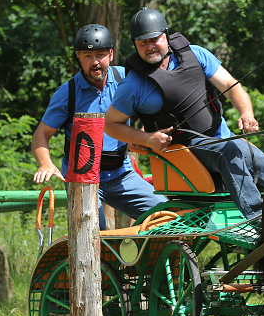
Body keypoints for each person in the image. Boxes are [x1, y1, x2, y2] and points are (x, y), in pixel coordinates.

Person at [104, 8, 264, 220]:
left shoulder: (196, 54)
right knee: (230, 150)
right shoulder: (133, 84)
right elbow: (111, 124)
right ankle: (261, 221)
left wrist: (246, 113)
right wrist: (147, 139)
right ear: (135, 44)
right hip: (184, 151)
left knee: (259, 159)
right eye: (143, 43)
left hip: (224, 138)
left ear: (165, 35)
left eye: (155, 39)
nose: (150, 47)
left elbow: (230, 85)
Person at [32, 23, 167, 229]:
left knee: (168, 215)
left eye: (101, 55)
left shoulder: (126, 79)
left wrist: (146, 132)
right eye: (87, 56)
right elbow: (41, 134)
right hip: (82, 179)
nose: (95, 62)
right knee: (93, 233)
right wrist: (46, 163)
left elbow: (156, 104)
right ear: (78, 57)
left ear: (111, 54)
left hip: (123, 174)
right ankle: (106, 261)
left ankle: (141, 260)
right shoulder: (67, 93)